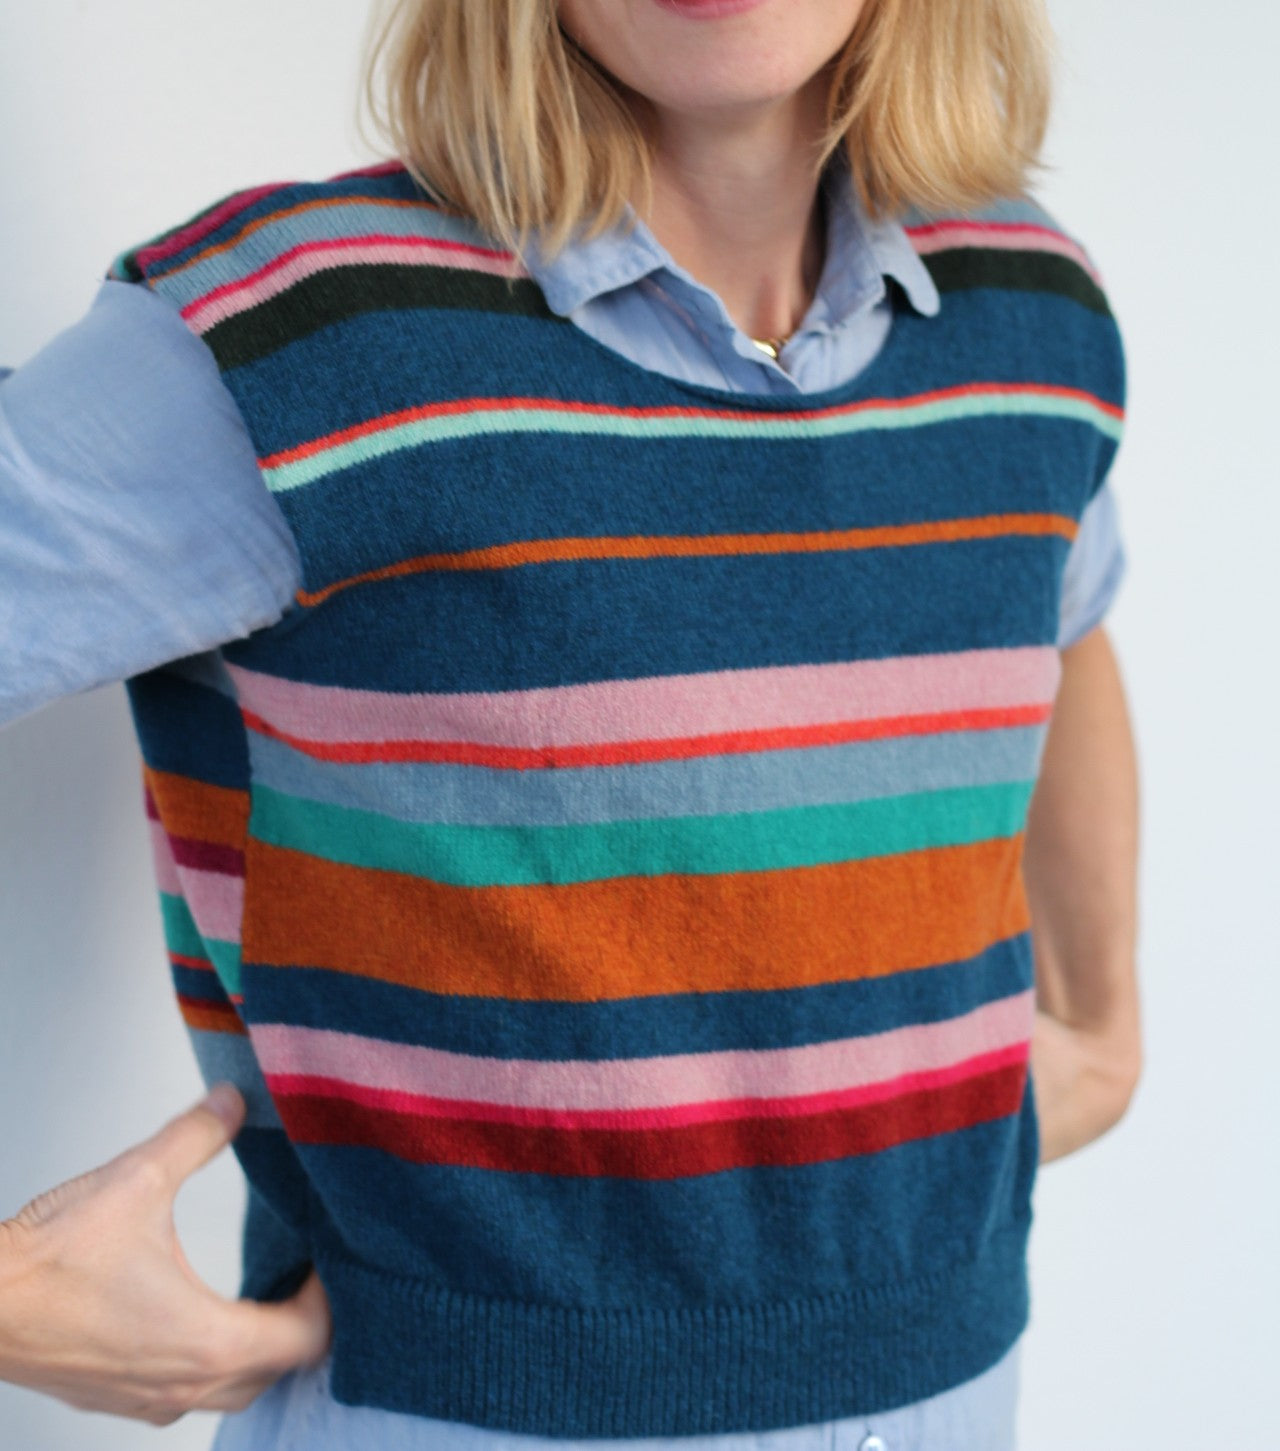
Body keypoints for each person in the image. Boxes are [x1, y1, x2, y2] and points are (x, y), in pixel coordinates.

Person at [0, 0, 1142, 1447]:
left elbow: (1060, 614)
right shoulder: (285, 341)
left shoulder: (1029, 317)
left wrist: (1102, 1024)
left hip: (953, 1389)